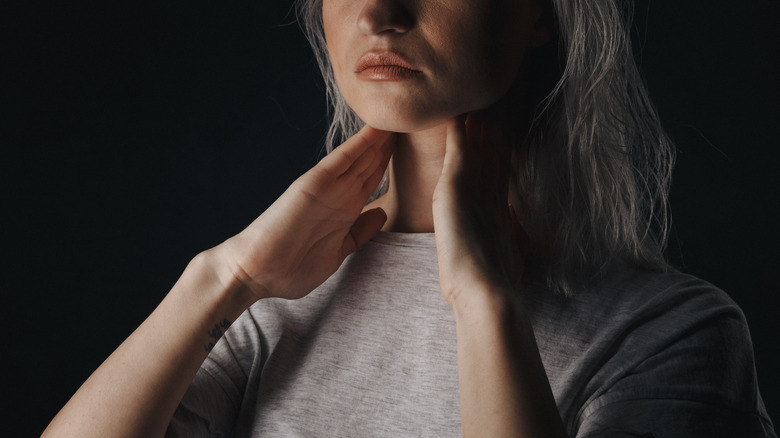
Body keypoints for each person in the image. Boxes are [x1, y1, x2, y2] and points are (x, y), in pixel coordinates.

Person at [43, 0, 775, 436]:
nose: (380, 13)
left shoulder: (671, 333)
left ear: (538, 14)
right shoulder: (271, 310)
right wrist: (221, 278)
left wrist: (485, 304)